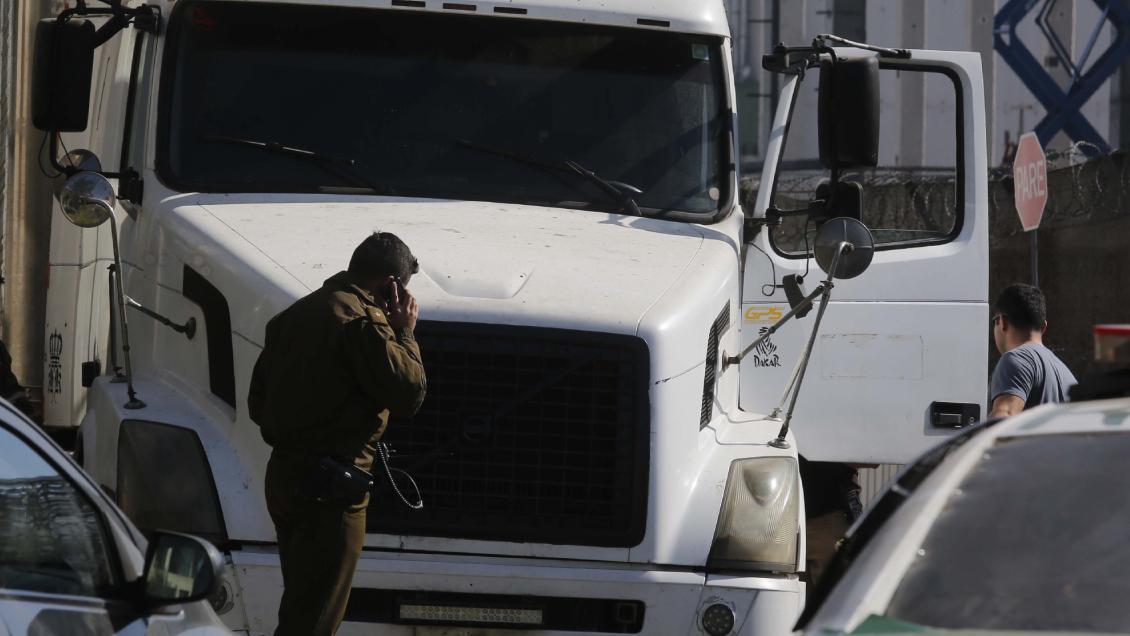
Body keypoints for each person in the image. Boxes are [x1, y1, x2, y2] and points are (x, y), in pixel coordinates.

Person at [248, 232, 427, 636]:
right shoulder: (362, 320)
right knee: (313, 623)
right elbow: (409, 393)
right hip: (331, 494)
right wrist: (405, 331)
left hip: (285, 478)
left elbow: (259, 403)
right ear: (391, 285)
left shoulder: (295, 314)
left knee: (301, 607)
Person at [988, 284, 1076, 419]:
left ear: (1002, 322)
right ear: (1044, 327)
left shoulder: (1015, 359)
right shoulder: (1066, 374)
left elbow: (1003, 417)